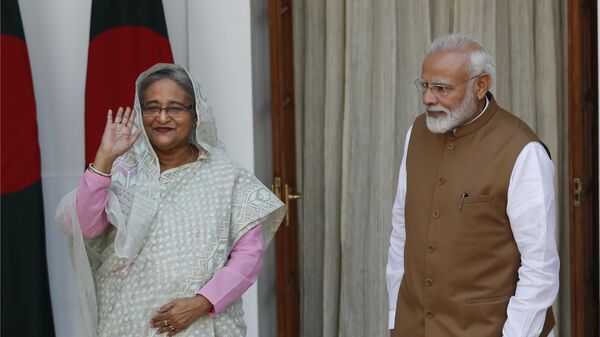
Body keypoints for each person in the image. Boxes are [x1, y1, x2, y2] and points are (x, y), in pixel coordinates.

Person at [56, 63, 285, 337]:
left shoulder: (226, 176)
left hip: (200, 323)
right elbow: (83, 229)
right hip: (126, 323)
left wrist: (202, 302)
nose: (162, 117)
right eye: (152, 107)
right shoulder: (122, 172)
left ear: (195, 115)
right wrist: (104, 159)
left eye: (175, 107)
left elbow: (249, 256)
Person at [386, 34, 559, 337]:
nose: (428, 98)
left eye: (442, 88)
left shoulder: (522, 150)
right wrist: (395, 317)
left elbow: (540, 267)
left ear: (481, 85)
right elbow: (402, 231)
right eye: (424, 86)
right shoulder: (416, 134)